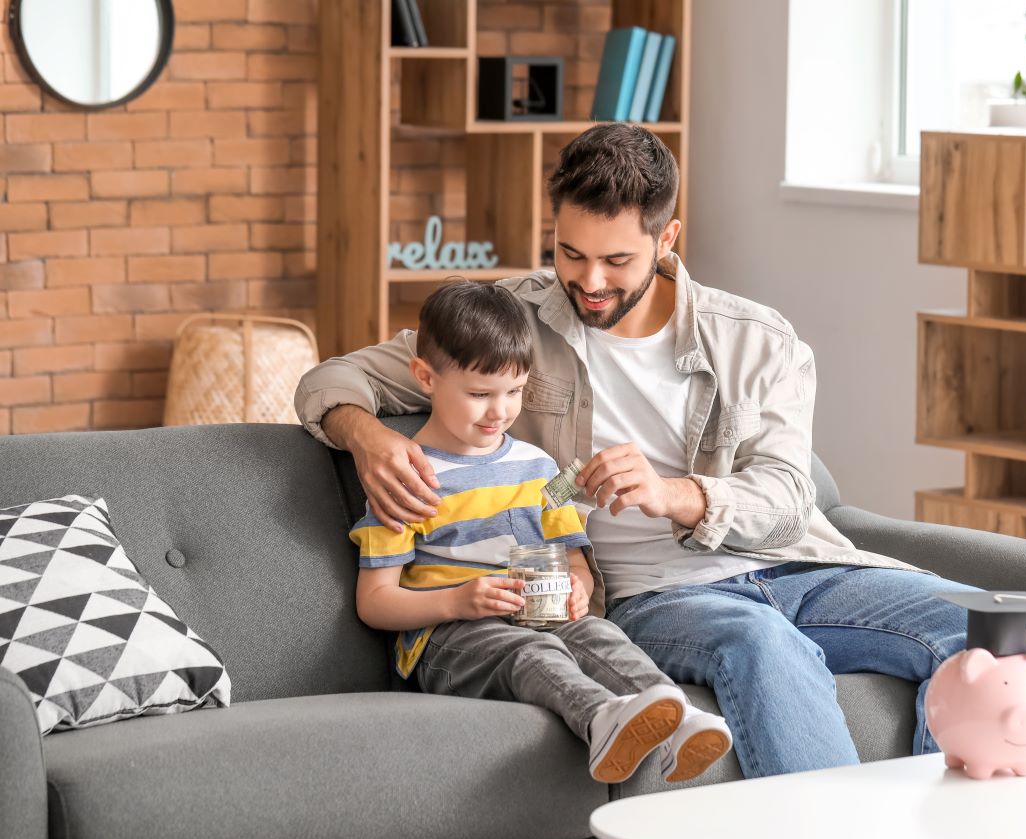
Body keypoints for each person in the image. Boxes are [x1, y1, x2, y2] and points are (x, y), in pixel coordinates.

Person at [299, 123, 972, 779]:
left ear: (666, 237)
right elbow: (328, 379)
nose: (589, 281)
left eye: (616, 260)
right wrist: (368, 437)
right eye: (569, 253)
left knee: (987, 627)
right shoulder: (509, 322)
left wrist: (675, 493)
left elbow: (791, 501)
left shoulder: (757, 339)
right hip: (660, 596)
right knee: (763, 644)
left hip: (799, 568)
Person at [349, 280, 732, 784]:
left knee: (598, 633)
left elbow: (573, 555)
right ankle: (601, 720)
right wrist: (459, 601)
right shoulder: (407, 478)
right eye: (479, 394)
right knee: (535, 653)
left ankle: (680, 720)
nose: (500, 411)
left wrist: (579, 587)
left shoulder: (541, 469)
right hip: (449, 639)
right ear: (425, 377)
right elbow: (375, 602)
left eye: (515, 391)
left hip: (540, 616)